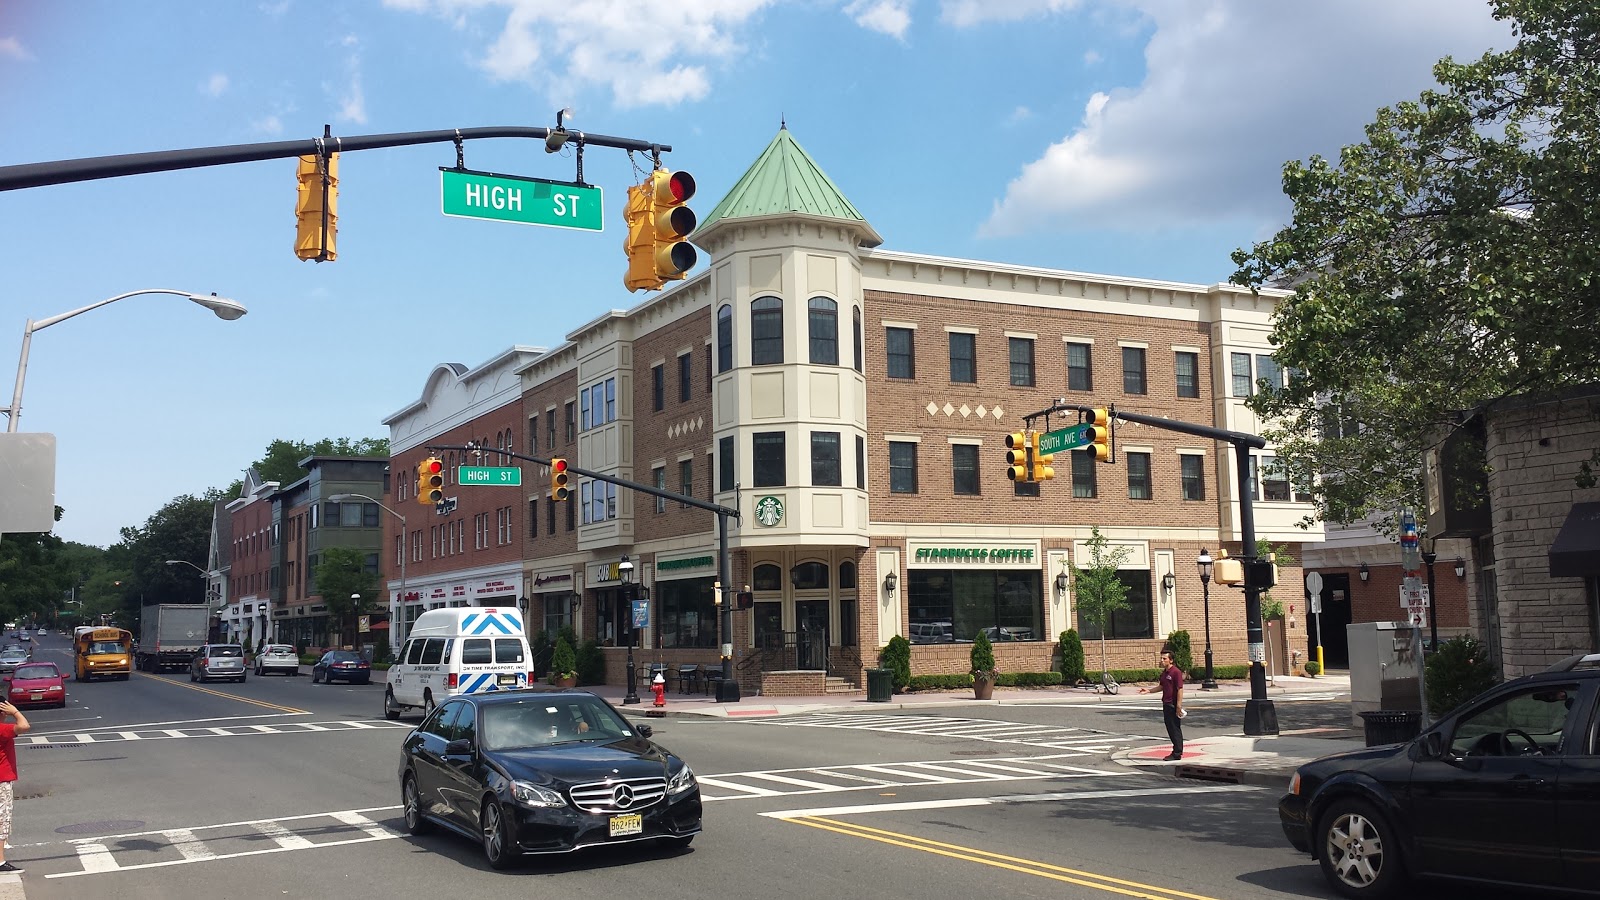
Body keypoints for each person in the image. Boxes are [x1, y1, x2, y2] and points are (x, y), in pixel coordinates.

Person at [0, 699, 31, 874]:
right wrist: (16, 711)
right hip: (1, 781)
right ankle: (0, 861)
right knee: (2, 821)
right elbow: (24, 726)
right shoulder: (3, 729)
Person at [1139, 649, 1184, 761]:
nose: (1162, 660)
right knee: (1170, 727)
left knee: (1175, 728)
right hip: (1166, 703)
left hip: (1173, 704)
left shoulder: (1176, 672)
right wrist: (1149, 691)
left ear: (1171, 660)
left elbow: (1180, 689)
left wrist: (1178, 705)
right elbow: (1162, 687)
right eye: (1161, 658)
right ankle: (1176, 751)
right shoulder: (1164, 673)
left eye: (1165, 658)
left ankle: (1177, 753)